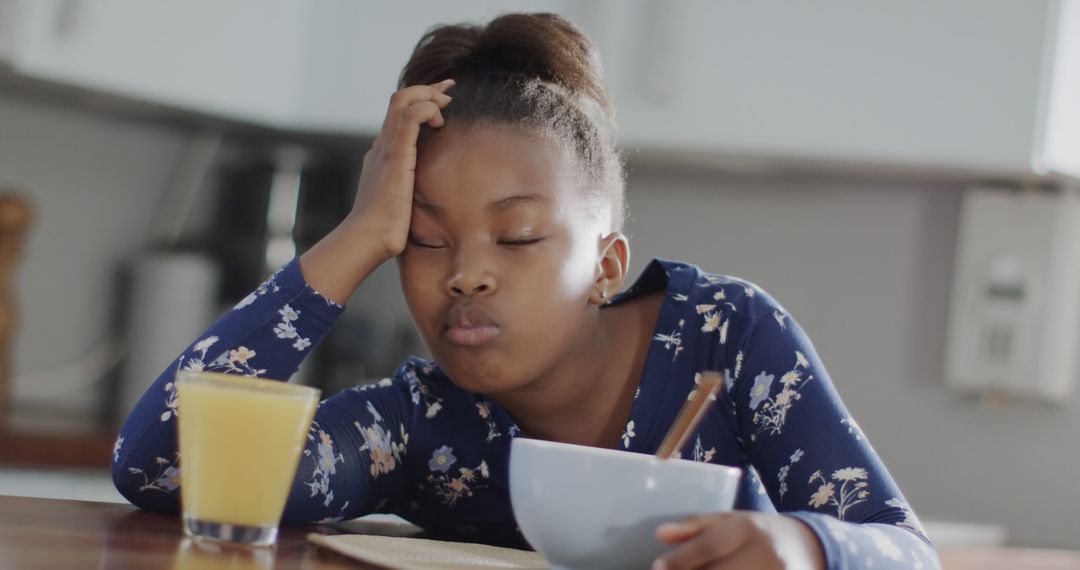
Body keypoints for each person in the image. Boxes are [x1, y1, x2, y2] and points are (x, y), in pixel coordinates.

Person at [113, 12, 939, 570]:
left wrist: (801, 545)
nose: (465, 272)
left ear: (608, 263)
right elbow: (161, 465)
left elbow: (902, 547)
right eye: (425, 240)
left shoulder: (727, 334)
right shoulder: (415, 430)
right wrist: (359, 233)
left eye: (518, 237)